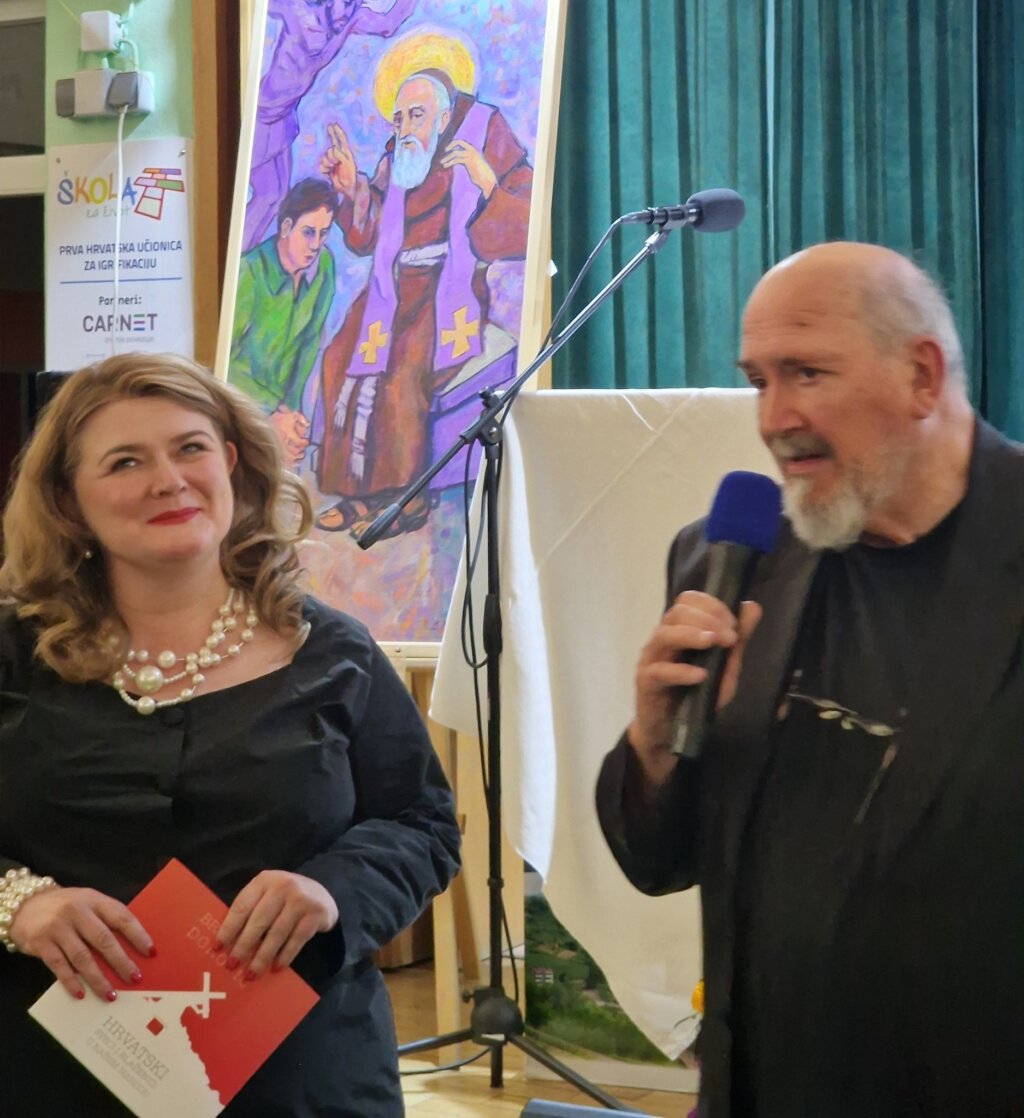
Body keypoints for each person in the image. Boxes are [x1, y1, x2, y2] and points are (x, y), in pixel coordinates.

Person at [596, 242, 1024, 1117]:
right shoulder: (728, 561)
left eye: (807, 374)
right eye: (758, 380)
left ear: (922, 375)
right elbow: (662, 862)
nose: (774, 418)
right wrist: (655, 750)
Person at [0, 352, 461, 1116]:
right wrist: (18, 903)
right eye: (125, 462)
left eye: (191, 448)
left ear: (232, 465)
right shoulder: (12, 657)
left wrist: (331, 888)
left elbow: (424, 825)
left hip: (305, 1083)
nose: (168, 480)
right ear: (68, 501)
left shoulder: (334, 654)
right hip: (48, 1079)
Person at [314, 58, 533, 537]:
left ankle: (407, 500)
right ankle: (360, 493)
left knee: (402, 370)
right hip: (390, 289)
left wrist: (485, 179)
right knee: (339, 357)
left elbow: (528, 223)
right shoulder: (400, 156)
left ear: (444, 115)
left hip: (448, 287)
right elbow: (368, 237)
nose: (405, 128)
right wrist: (352, 189)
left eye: (416, 115)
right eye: (398, 118)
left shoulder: (485, 132)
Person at [242, 0, 416, 252]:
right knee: (246, 185)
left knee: (273, 197)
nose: (344, 11)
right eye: (341, 3)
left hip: (281, 120)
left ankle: (242, 254)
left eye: (352, 3)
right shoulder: (299, 11)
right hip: (258, 117)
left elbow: (387, 25)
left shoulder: (349, 20)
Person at [230, 177, 338, 468]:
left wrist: (291, 413)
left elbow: (309, 345)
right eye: (308, 232)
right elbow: (223, 362)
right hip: (237, 408)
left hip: (281, 413)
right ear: (286, 227)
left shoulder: (324, 267)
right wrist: (271, 413)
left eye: (324, 233)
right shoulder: (249, 273)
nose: (316, 245)